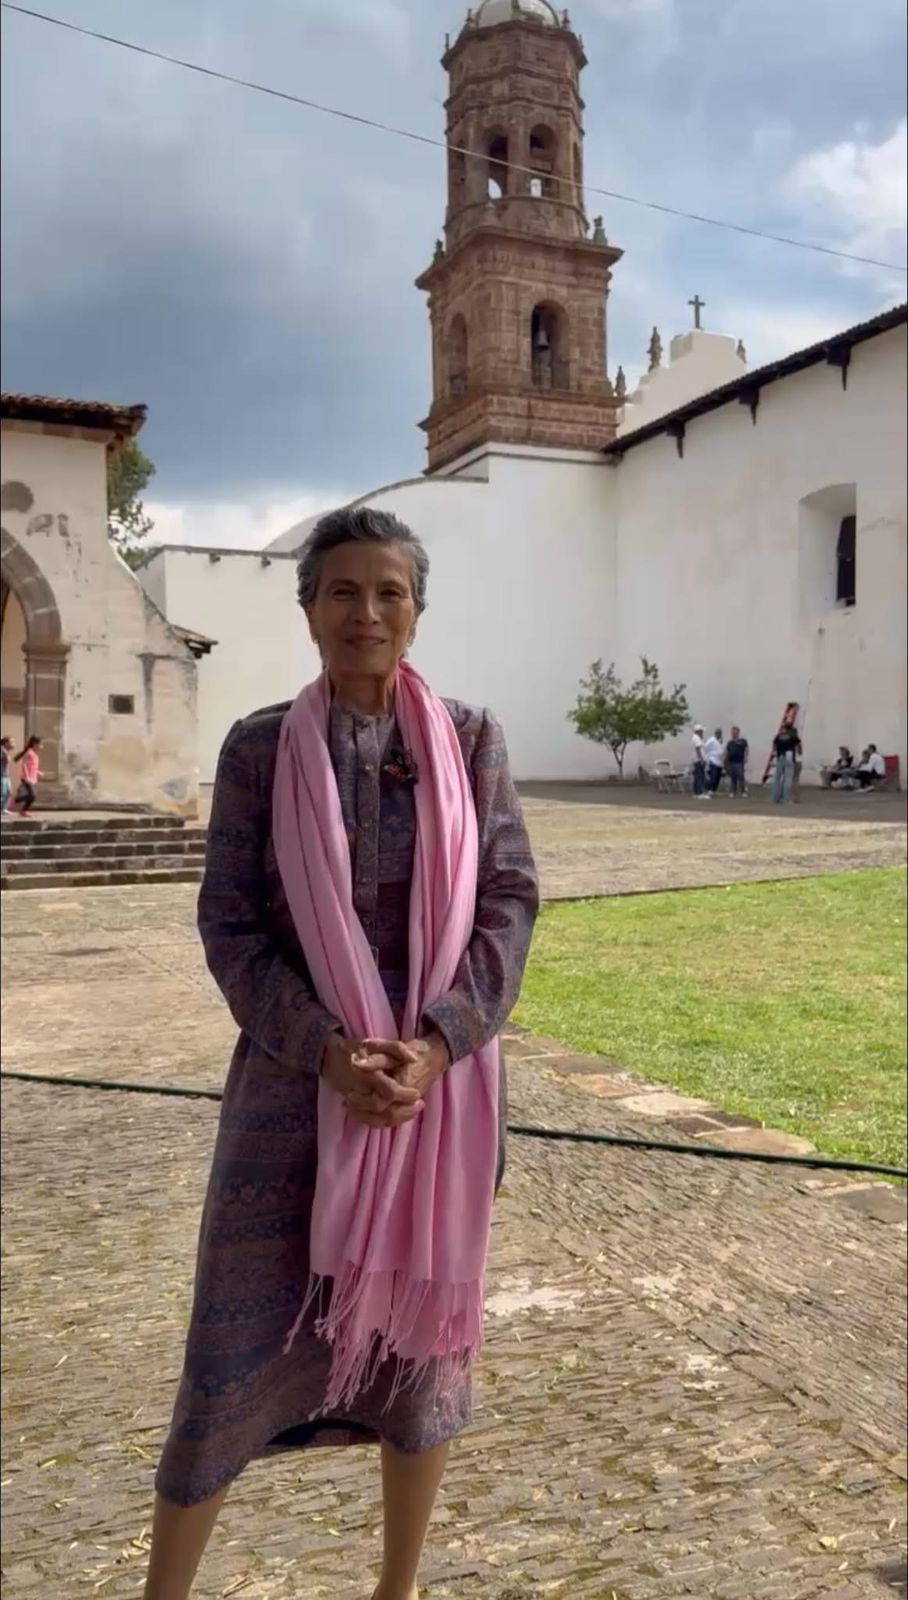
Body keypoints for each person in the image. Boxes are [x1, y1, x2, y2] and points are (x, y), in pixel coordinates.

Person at [143, 507, 539, 1600]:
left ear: (417, 611)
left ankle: (395, 1589)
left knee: (419, 1364)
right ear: (309, 609)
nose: (366, 611)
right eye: (342, 591)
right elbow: (230, 924)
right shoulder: (261, 747)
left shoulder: (470, 740)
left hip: (435, 1104)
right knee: (228, 1359)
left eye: (389, 592)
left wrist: (437, 1043)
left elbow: (508, 899)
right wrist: (323, 1050)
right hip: (288, 1101)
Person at [771, 721, 802, 804]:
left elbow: (774, 745)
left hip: (780, 756)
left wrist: (777, 751)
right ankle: (786, 798)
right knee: (788, 778)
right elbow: (799, 745)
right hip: (789, 756)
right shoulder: (793, 736)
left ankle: (775, 797)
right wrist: (799, 753)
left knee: (777, 778)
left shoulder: (779, 735)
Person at [11, 734, 42, 817]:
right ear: (35, 744)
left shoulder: (34, 754)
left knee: (32, 796)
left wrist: (38, 772)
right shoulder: (29, 752)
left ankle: (20, 806)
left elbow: (32, 766)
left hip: (32, 778)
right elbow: (24, 764)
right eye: (40, 744)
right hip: (27, 778)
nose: (41, 747)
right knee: (32, 795)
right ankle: (18, 804)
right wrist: (27, 776)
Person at [724, 726, 749, 797]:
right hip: (731, 762)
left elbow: (746, 749)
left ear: (738, 732)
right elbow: (727, 752)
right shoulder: (730, 743)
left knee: (741, 776)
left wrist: (745, 757)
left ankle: (743, 791)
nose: (733, 733)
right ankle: (733, 791)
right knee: (733, 777)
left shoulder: (743, 741)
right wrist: (726, 761)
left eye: (735, 732)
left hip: (739, 762)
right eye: (732, 732)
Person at [703, 727, 725, 794]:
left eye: (720, 733)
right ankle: (709, 789)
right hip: (712, 760)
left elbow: (721, 750)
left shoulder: (720, 741)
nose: (719, 734)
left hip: (719, 762)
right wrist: (707, 757)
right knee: (714, 776)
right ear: (715, 733)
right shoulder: (711, 740)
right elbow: (705, 748)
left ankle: (714, 790)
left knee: (718, 776)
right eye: (718, 733)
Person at [691, 724, 708, 798]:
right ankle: (699, 793)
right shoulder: (696, 738)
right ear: (699, 731)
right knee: (699, 776)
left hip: (696, 760)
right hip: (698, 760)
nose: (702, 733)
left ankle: (696, 793)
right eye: (701, 731)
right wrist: (701, 759)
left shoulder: (695, 738)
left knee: (697, 776)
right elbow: (698, 749)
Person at [0, 735, 13, 819]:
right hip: (2, 775)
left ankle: (3, 809)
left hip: (6, 775)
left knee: (8, 793)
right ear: (5, 743)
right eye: (11, 742)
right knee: (3, 793)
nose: (13, 744)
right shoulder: (2, 751)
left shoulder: (6, 751)